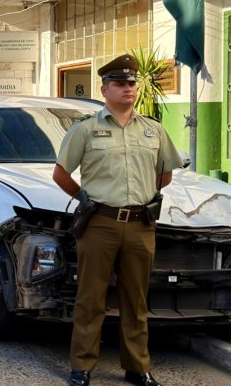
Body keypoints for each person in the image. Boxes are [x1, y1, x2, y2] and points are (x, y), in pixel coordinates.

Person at [52, 54, 182, 386]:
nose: (128, 88)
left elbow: (163, 175)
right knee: (90, 297)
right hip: (99, 224)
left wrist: (139, 196)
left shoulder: (153, 130)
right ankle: (82, 366)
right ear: (104, 89)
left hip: (140, 225)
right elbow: (61, 174)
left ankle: (137, 366)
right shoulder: (86, 129)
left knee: (135, 300)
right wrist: (85, 198)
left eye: (132, 83)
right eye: (120, 84)